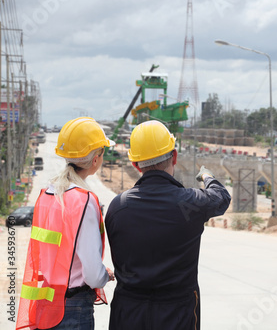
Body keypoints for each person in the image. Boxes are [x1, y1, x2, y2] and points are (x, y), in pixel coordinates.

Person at [105, 120, 231, 330]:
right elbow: (221, 196)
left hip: (128, 314)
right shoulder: (190, 203)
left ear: (136, 165)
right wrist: (206, 176)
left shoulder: (118, 207)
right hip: (177, 315)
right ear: (174, 156)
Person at [16, 117, 115, 330]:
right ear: (96, 159)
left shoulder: (48, 194)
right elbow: (92, 274)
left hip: (47, 303)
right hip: (73, 308)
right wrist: (104, 275)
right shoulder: (84, 200)